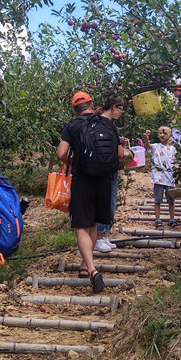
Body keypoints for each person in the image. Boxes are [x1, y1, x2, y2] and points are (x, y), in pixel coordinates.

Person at [57, 91, 117, 293]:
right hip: (105, 180)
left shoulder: (72, 125)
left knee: (82, 225)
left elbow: (62, 153)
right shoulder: (107, 123)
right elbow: (118, 153)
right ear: (92, 105)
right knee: (92, 224)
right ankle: (85, 265)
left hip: (83, 179)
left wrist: (74, 162)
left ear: (74, 109)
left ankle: (91, 269)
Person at [93, 96, 130, 254]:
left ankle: (104, 234)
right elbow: (120, 154)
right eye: (120, 108)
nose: (121, 112)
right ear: (114, 107)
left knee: (110, 203)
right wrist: (120, 148)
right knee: (105, 203)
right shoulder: (104, 124)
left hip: (108, 168)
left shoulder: (105, 124)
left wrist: (119, 145)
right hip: (104, 169)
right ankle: (99, 237)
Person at [143, 125, 180, 229]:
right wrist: (146, 137)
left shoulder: (173, 149)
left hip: (170, 178)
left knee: (171, 200)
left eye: (164, 133)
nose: (161, 135)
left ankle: (172, 219)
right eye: (160, 133)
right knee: (157, 200)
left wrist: (177, 173)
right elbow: (148, 146)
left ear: (170, 135)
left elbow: (175, 162)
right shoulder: (155, 146)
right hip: (158, 178)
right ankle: (158, 220)